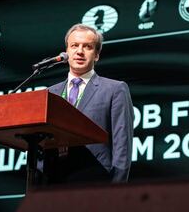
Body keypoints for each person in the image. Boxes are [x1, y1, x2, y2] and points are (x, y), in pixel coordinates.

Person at [42, 23, 134, 184]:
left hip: (96, 181)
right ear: (66, 51)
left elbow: (122, 146)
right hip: (53, 183)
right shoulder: (49, 93)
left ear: (96, 55)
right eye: (74, 46)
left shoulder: (114, 89)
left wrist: (117, 192)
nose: (79, 51)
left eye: (87, 47)